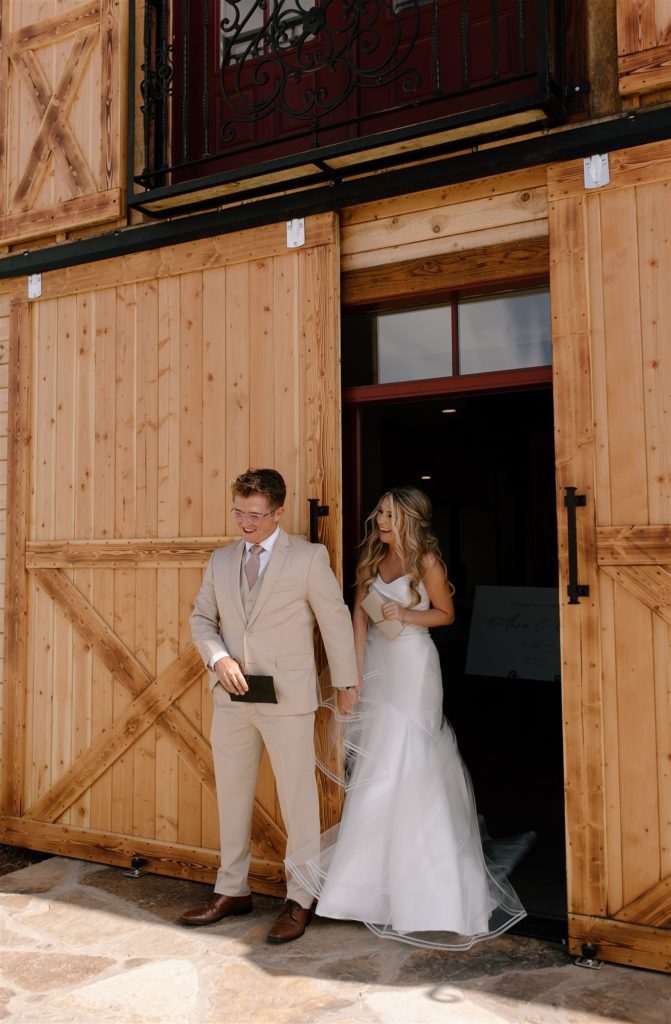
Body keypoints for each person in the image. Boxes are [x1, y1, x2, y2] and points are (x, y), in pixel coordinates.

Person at [287, 486, 526, 948]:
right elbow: (357, 619)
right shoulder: (369, 560)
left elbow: (447, 615)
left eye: (391, 515)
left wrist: (407, 614)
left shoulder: (427, 563)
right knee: (379, 763)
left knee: (411, 757)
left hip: (415, 667)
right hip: (379, 665)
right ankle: (367, 891)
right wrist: (349, 679)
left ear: (410, 520)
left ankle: (430, 894)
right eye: (380, 513)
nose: (381, 520)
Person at [180, 468, 358, 943]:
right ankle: (232, 889)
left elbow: (335, 621)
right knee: (233, 796)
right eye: (239, 512)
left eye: (255, 515)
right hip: (233, 698)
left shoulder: (308, 557)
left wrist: (346, 682)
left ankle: (301, 898)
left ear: (279, 512)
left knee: (298, 801)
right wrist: (218, 659)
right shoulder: (219, 560)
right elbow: (201, 618)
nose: (245, 522)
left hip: (289, 699)